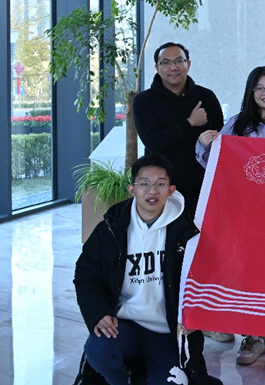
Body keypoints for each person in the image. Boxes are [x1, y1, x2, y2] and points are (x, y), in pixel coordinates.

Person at [74, 154, 221, 385]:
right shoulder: (110, 229)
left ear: (170, 190)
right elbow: (86, 274)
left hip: (168, 330)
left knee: (175, 381)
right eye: (144, 184)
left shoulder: (189, 231)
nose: (152, 191)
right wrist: (98, 313)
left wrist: (198, 315)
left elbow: (211, 275)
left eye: (160, 184)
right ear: (132, 189)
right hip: (125, 323)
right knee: (99, 349)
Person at [194, 66, 265, 363]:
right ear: (251, 92)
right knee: (248, 273)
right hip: (244, 211)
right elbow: (215, 163)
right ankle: (251, 336)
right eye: (260, 88)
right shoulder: (237, 124)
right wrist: (203, 144)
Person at [133, 42, 224, 218]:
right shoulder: (144, 101)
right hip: (163, 189)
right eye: (166, 63)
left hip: (203, 188)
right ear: (157, 68)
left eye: (179, 61)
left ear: (188, 64)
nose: (173, 67)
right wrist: (190, 122)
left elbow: (221, 141)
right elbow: (153, 143)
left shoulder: (206, 96)